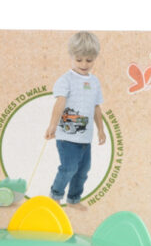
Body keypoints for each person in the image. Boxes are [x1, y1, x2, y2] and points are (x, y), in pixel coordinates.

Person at [45, 31, 106, 210]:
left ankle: (73, 199)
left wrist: (101, 130)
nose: (84, 64)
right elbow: (60, 102)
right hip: (67, 138)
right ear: (71, 56)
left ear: (95, 58)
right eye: (79, 60)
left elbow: (96, 107)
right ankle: (55, 197)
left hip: (85, 138)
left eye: (89, 60)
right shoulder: (66, 80)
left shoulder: (95, 82)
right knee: (68, 168)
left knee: (82, 171)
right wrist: (52, 125)